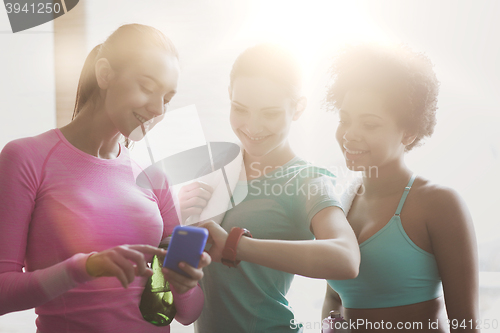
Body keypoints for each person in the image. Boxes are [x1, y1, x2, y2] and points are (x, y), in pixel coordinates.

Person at [0, 24, 210, 332]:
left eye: (167, 98)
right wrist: (84, 267)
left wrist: (184, 283)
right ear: (105, 74)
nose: (157, 109)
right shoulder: (26, 158)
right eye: (148, 87)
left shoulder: (154, 176)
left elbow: (188, 313)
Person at [177, 44, 361, 333]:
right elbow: (181, 292)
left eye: (270, 113)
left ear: (297, 108)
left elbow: (346, 259)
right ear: (229, 97)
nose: (253, 125)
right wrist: (178, 219)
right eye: (240, 109)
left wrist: (238, 246)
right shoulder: (215, 171)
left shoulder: (306, 180)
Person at [322, 44, 480, 332]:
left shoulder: (439, 204)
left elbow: (465, 326)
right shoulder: (342, 201)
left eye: (369, 124)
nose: (349, 134)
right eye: (345, 119)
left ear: (409, 132)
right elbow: (334, 298)